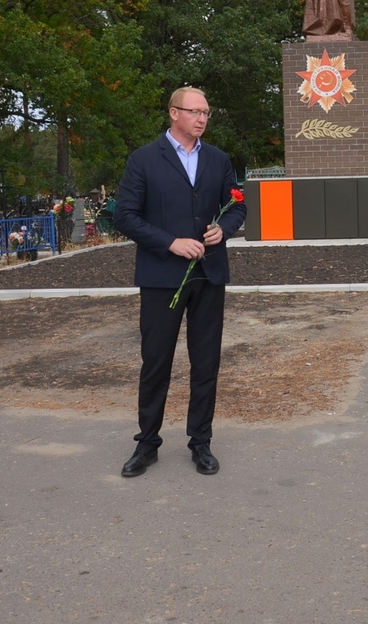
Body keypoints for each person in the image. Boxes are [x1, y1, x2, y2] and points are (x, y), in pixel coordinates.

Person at [113, 87, 247, 477]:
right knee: (156, 363)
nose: (202, 119)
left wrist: (224, 228)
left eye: (206, 112)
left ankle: (201, 443)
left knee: (206, 364)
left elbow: (237, 204)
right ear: (174, 113)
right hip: (161, 278)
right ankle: (147, 444)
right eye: (194, 111)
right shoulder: (143, 160)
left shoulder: (219, 159)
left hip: (209, 275)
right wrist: (170, 242)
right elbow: (125, 216)